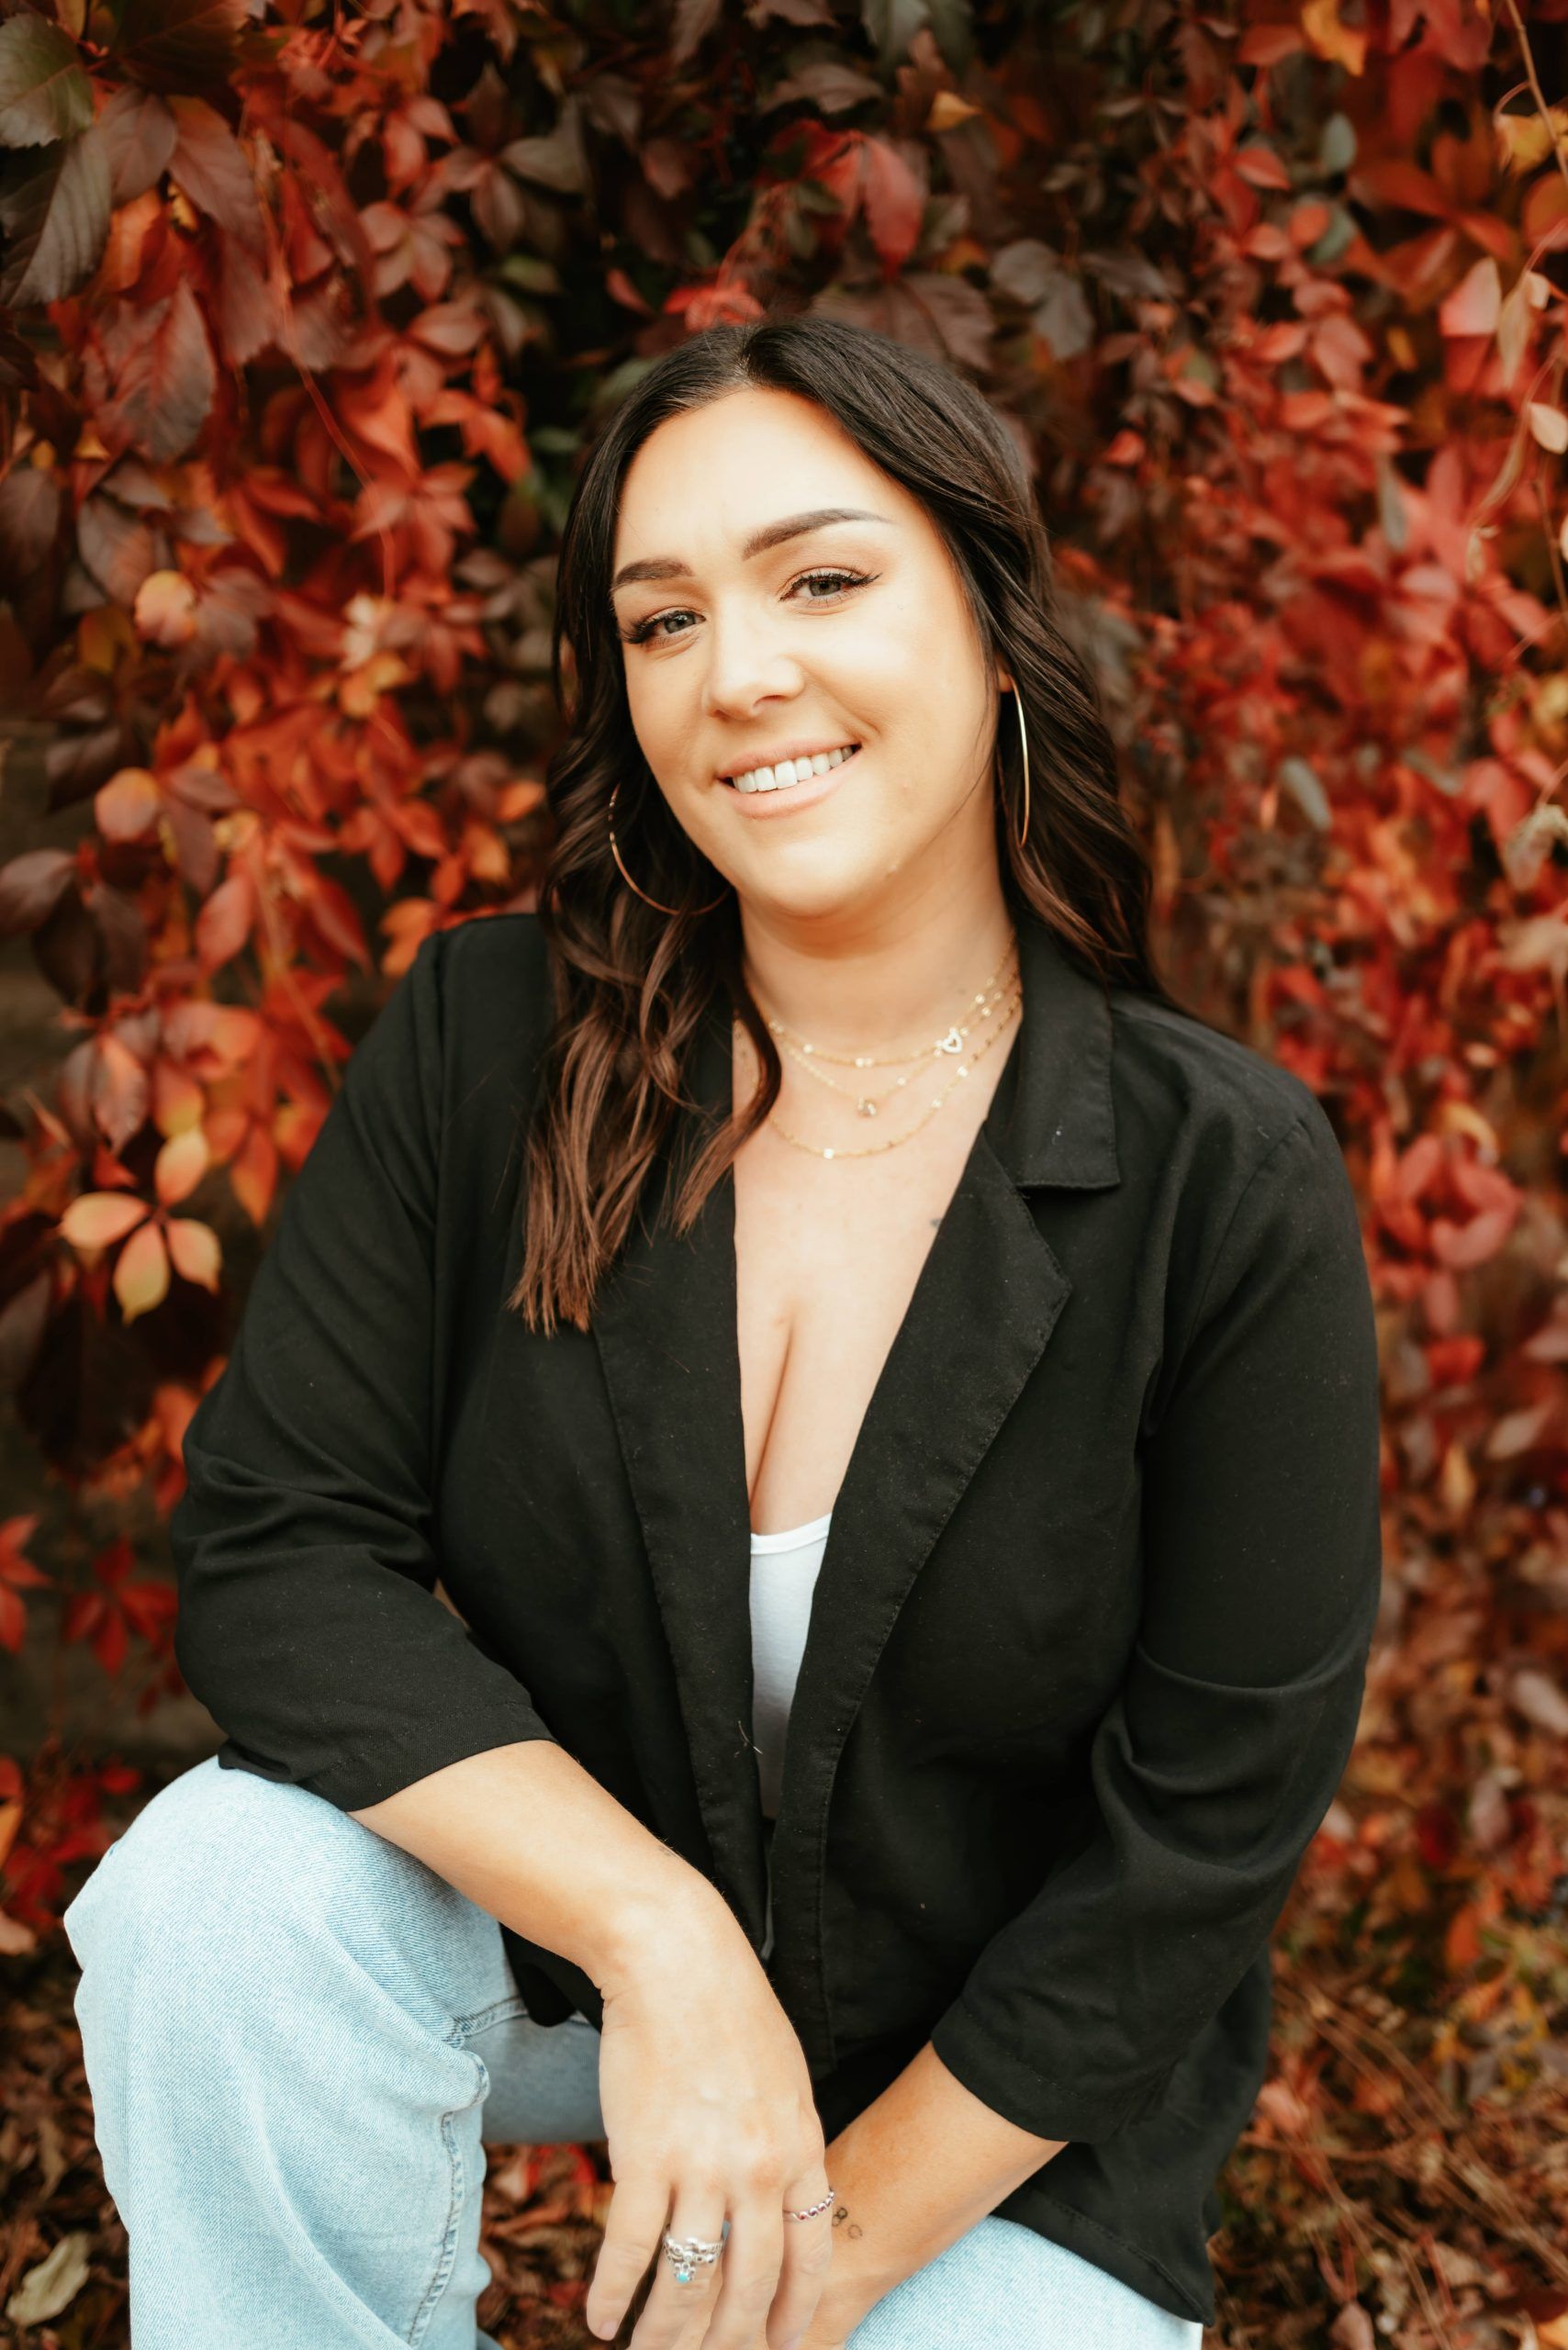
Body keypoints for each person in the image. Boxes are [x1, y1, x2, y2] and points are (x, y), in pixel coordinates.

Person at [63, 315, 1383, 2350]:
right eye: (661, 619)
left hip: (985, 2097)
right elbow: (273, 1548)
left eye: (821, 578)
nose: (737, 674)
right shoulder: (488, 1044)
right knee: (216, 1896)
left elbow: (1198, 1835)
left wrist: (807, 2259)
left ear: (987, 610)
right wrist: (656, 1931)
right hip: (576, 1993)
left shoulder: (1220, 1175)